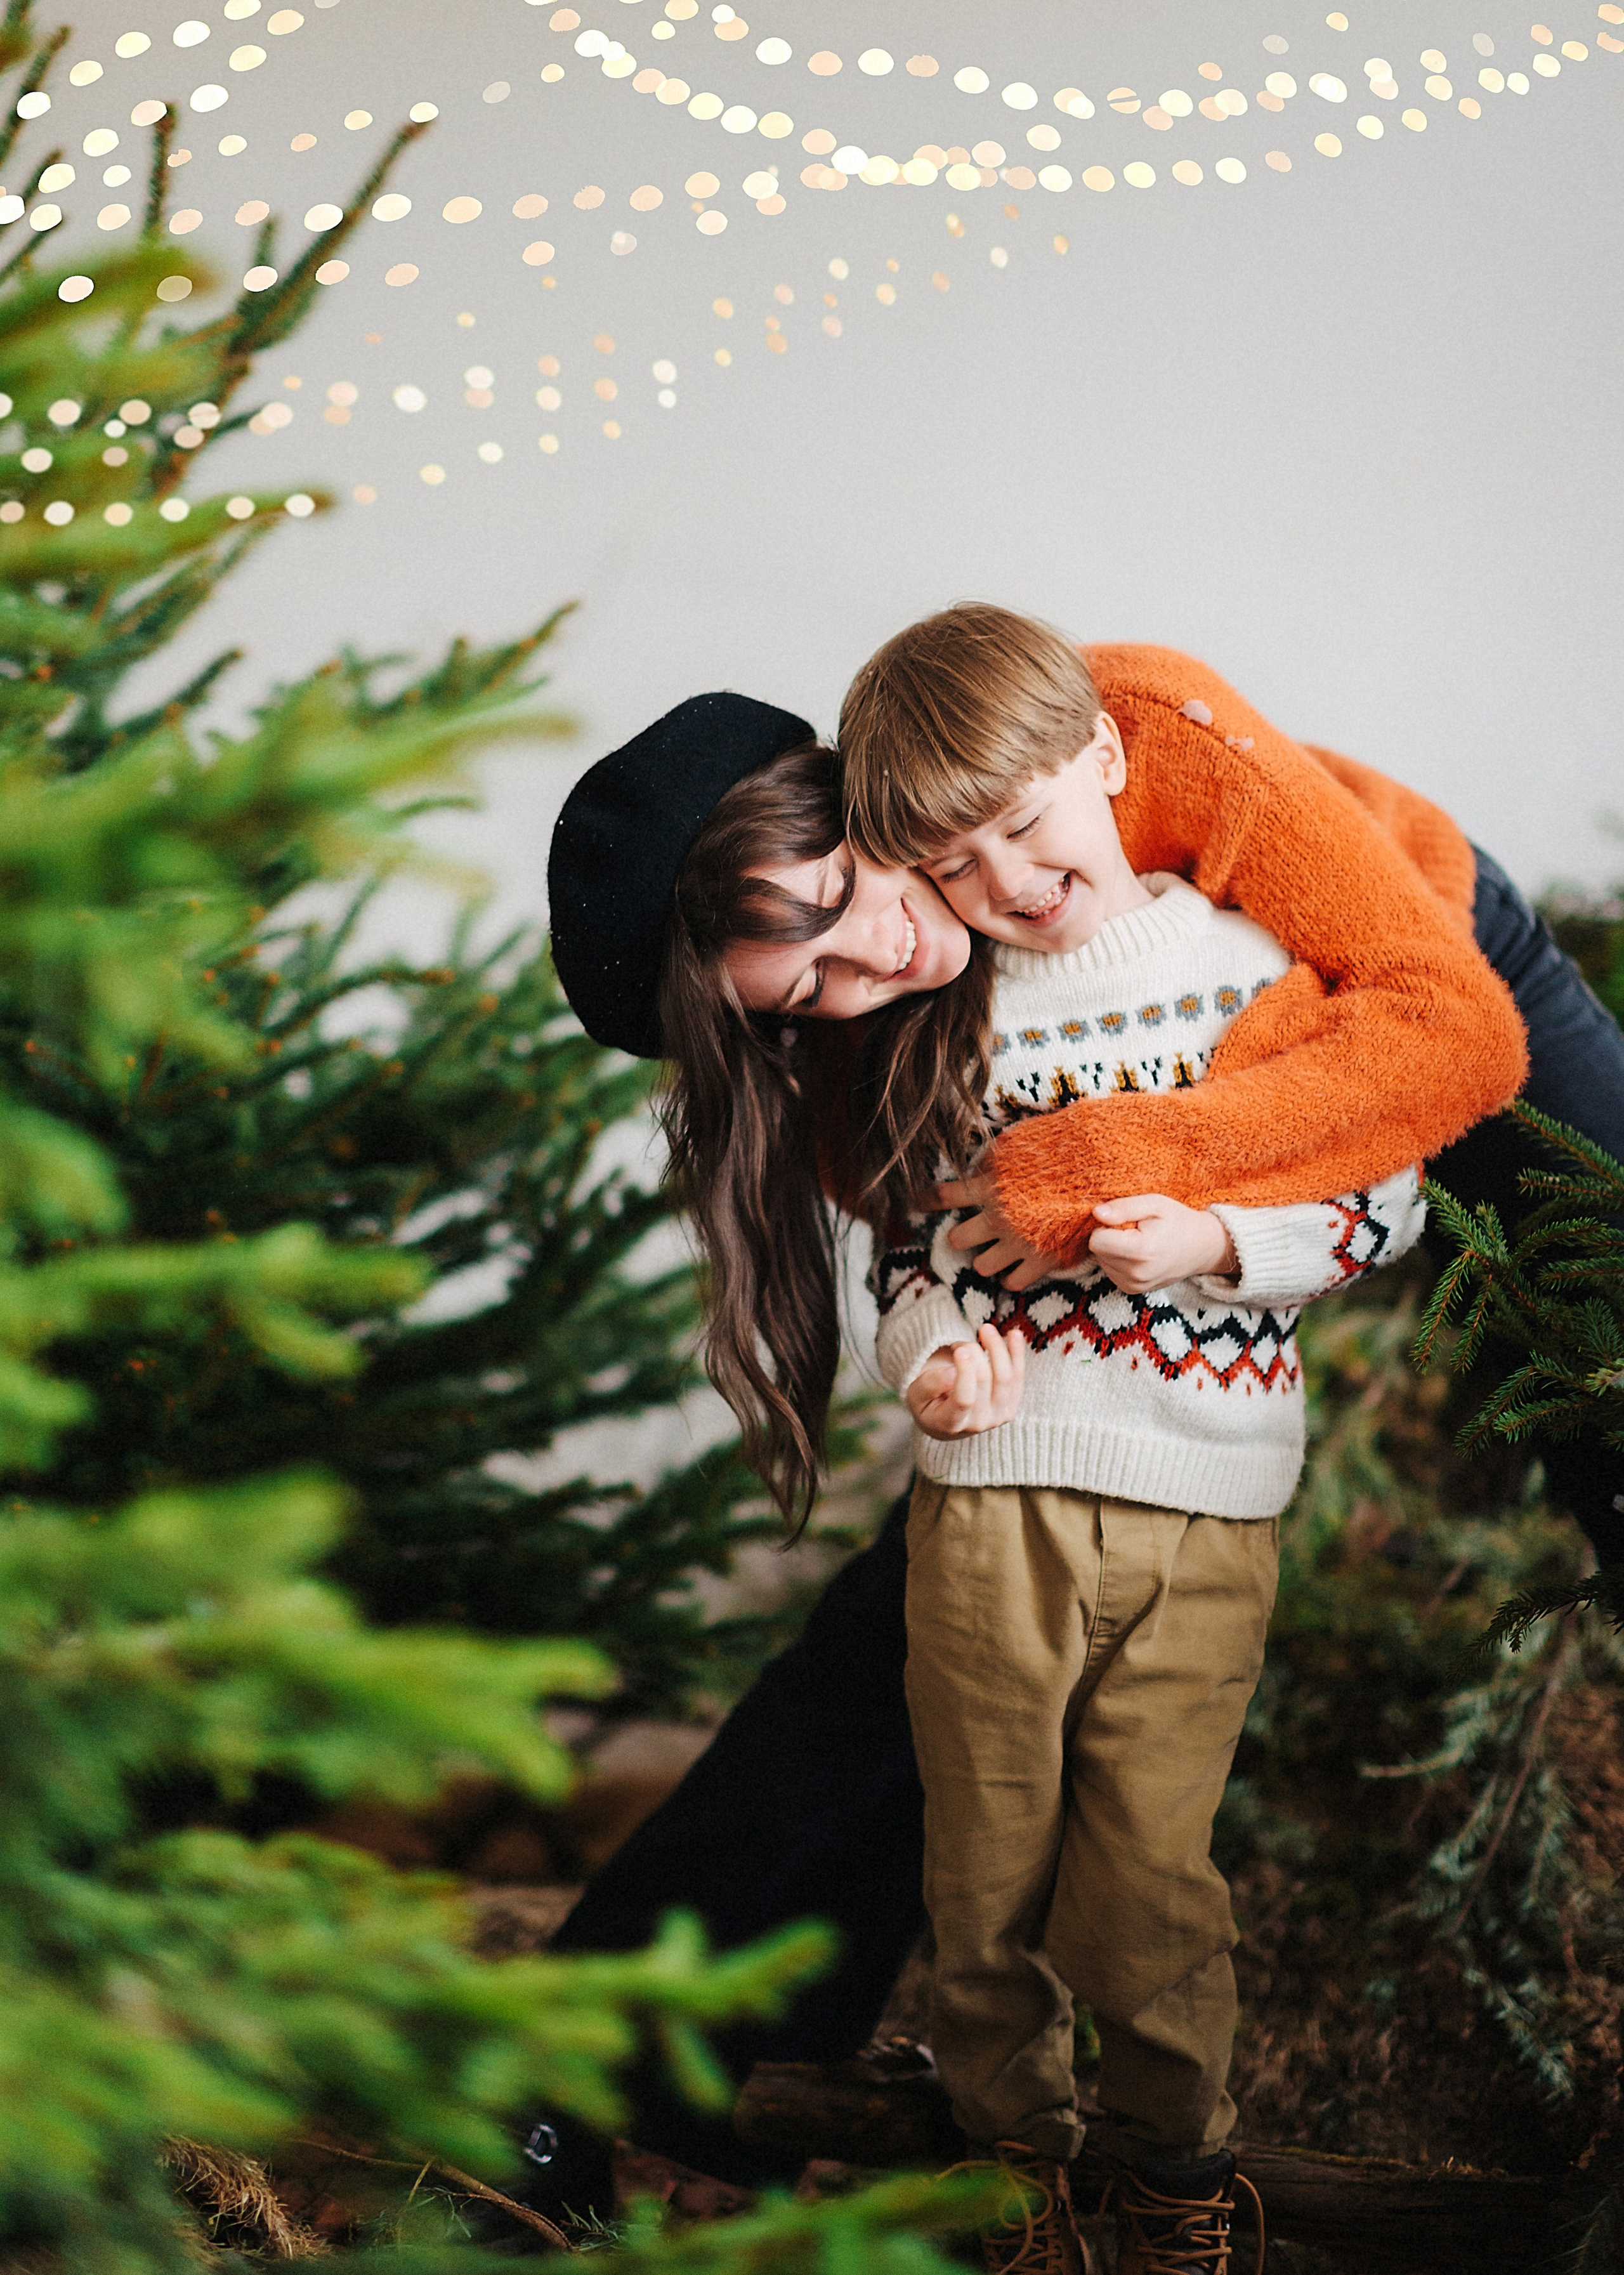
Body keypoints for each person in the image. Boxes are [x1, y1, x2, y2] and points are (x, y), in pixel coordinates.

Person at [534, 640, 1624, 2213]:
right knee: (950, 1591)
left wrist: (1100, 1163)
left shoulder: (1113, 732)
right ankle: (623, 2050)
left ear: (846, 790)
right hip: (1150, 1273)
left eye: (847, 899)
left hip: (1429, 971)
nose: (874, 964)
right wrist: (955, 1339)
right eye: (802, 997)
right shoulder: (871, 991)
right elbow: (917, 1229)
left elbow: (1435, 1028)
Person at [849, 612, 1431, 2269]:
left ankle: (1179, 2172)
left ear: (1104, 760)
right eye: (958, 868)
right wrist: (930, 1352)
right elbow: (899, 1244)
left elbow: (1377, 1197)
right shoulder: (942, 1020)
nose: (1014, 884)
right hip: (993, 1512)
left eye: (1028, 826)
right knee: (986, 1867)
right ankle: (1009, 2160)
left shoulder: (1251, 970)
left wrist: (1223, 1246)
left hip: (1204, 1507)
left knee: (1149, 1876)